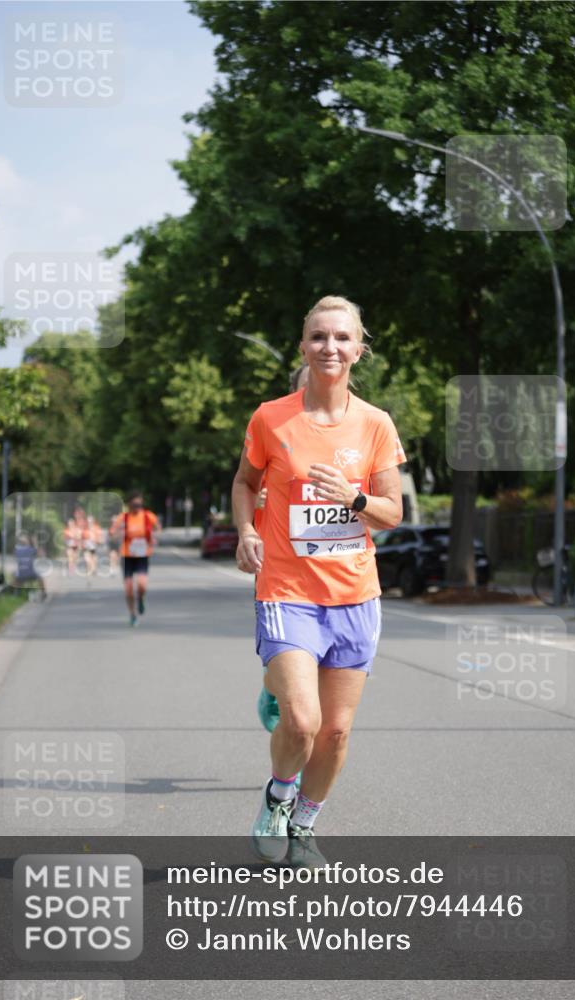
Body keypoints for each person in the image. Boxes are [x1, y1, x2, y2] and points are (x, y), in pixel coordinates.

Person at [232, 295, 405, 867]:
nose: (329, 347)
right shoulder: (271, 418)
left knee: (333, 734)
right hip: (287, 588)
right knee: (302, 722)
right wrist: (245, 530)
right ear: (303, 346)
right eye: (318, 337)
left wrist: (353, 498)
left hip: (355, 595)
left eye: (341, 338)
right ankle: (277, 797)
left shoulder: (376, 424)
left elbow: (391, 512)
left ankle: (304, 821)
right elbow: (243, 481)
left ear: (359, 349)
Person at [256, 361, 309, 734]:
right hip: (279, 571)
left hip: (334, 576)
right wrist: (261, 500)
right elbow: (243, 487)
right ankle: (271, 689)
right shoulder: (273, 427)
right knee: (291, 677)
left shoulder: (354, 430)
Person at [110, 492, 161, 626]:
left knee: (142, 584)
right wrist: (118, 534)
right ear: (129, 505)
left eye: (139, 504)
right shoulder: (123, 518)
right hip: (127, 555)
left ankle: (141, 598)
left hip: (142, 554)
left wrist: (154, 537)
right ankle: (133, 615)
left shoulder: (148, 516)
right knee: (128, 588)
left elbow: (158, 529)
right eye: (135, 504)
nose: (137, 507)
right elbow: (112, 534)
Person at [13, 532, 46, 598]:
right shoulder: (31, 549)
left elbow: (15, 555)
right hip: (31, 574)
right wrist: (35, 543)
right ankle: (43, 592)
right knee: (41, 578)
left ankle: (16, 593)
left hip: (20, 575)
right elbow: (42, 555)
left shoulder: (17, 550)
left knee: (14, 576)